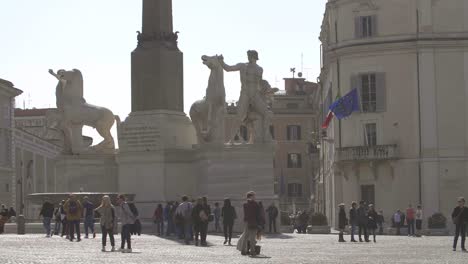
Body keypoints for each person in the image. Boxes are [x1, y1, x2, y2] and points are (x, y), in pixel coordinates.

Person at [221, 50, 272, 143]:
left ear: (254, 57)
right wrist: (222, 62)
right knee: (239, 117)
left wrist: (267, 90)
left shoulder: (260, 69)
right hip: (245, 93)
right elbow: (228, 68)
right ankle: (231, 139)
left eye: (250, 55)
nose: (248, 57)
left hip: (255, 95)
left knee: (266, 113)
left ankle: (266, 137)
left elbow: (260, 83)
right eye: (248, 55)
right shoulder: (242, 66)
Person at [237, 191, 263, 256]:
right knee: (252, 237)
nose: (255, 197)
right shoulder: (255, 204)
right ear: (251, 196)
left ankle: (243, 251)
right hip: (254, 222)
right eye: (254, 196)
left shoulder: (245, 204)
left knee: (245, 237)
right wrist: (260, 223)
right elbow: (258, 214)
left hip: (247, 222)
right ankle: (252, 252)